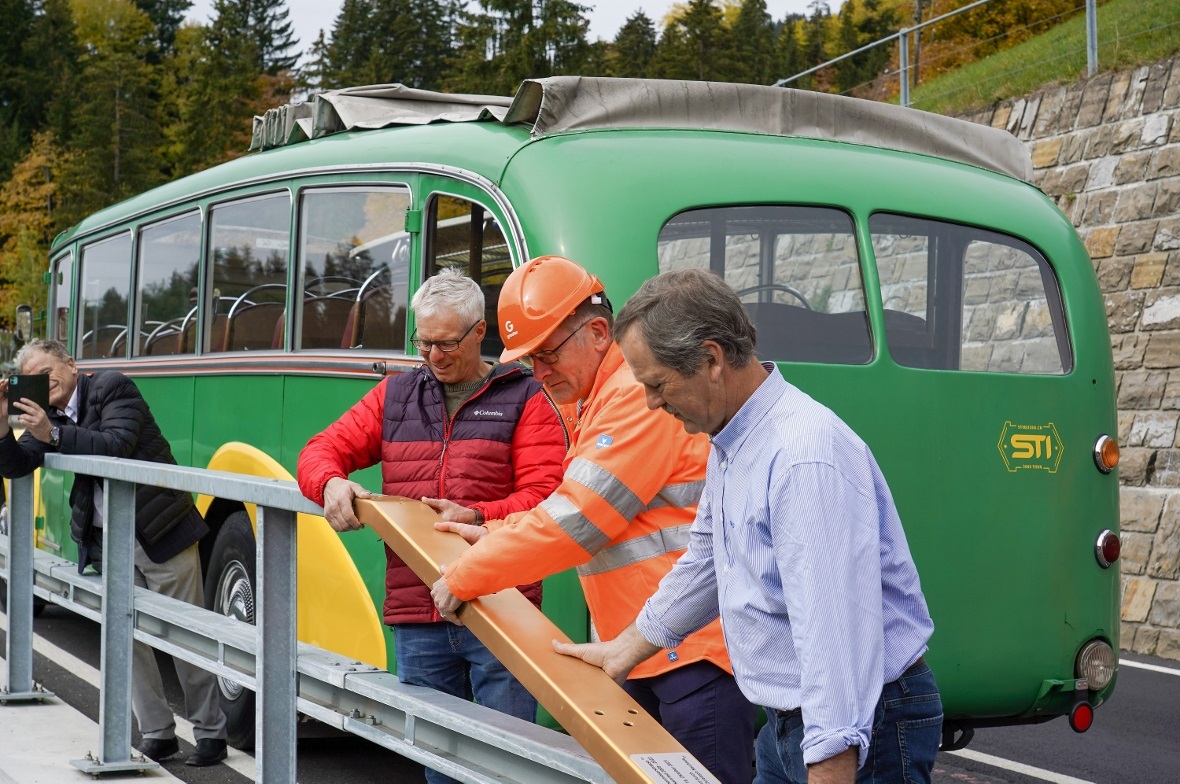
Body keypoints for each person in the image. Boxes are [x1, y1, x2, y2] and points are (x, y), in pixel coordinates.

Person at [552, 268, 942, 784]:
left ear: (712, 359)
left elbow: (832, 638)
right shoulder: (734, 439)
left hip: (850, 726)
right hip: (793, 723)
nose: (650, 402)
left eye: (657, 383)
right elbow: (706, 563)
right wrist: (622, 652)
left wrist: (830, 762)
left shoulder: (802, 456)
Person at [429, 256, 757, 784]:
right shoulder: (604, 396)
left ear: (598, 332)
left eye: (549, 354)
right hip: (649, 651)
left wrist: (466, 573)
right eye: (531, 360)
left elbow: (577, 522)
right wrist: (492, 532)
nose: (540, 374)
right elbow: (577, 505)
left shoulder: (632, 397)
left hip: (692, 656)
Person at [296, 268, 566, 784]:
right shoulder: (395, 396)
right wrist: (330, 483)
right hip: (419, 611)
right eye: (423, 344)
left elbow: (547, 498)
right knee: (439, 767)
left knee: (507, 766)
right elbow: (320, 449)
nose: (433, 357)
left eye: (446, 344)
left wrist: (481, 514)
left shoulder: (528, 397)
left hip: (502, 608)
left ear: (479, 332)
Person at [0, 339, 228, 767]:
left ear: (71, 364)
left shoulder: (112, 387)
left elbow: (117, 443)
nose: (43, 381)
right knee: (123, 638)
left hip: (161, 530)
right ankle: (158, 733)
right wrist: (2, 424)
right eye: (31, 377)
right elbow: (16, 464)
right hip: (109, 540)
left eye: (47, 370)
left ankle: (211, 734)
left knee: (185, 635)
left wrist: (53, 434)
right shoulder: (46, 418)